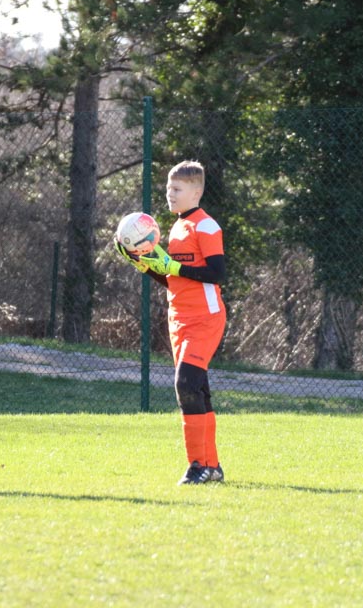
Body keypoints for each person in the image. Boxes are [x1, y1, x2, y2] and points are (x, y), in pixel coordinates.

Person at [115, 161, 227, 485]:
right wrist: (143, 264)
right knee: (198, 389)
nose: (170, 194)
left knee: (186, 384)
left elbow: (217, 274)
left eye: (177, 189)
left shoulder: (206, 226)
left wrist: (174, 268)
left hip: (205, 317)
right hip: (178, 318)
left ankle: (197, 465)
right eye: (168, 188)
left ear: (196, 191)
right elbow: (173, 279)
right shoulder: (175, 229)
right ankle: (212, 466)